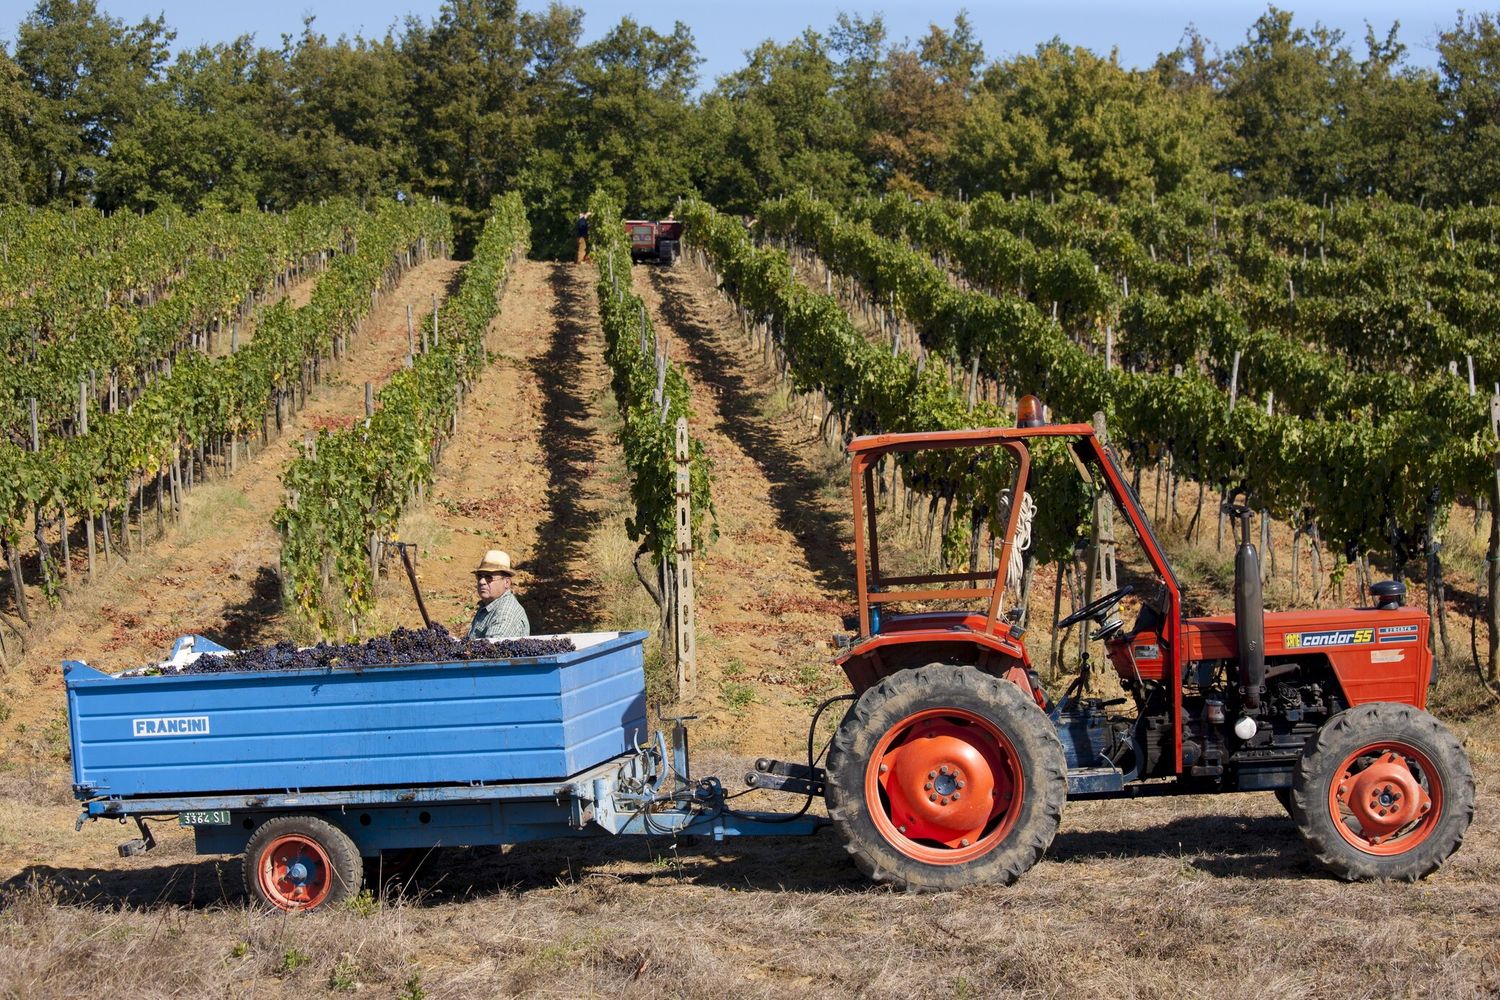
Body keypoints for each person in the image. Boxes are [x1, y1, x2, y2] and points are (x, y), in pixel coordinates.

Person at [468, 549, 530, 640]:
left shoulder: (505, 614)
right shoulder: (489, 606)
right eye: (479, 576)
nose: (482, 581)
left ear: (507, 583)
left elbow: (490, 650)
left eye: (489, 577)